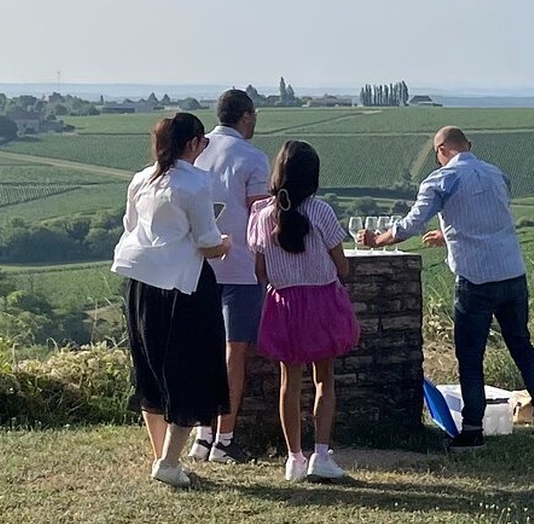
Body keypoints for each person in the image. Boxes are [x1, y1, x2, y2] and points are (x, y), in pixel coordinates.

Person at [358, 126, 534, 452]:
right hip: (512, 273)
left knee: (470, 357)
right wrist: (448, 235)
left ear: (440, 152)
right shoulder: (497, 175)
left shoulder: (441, 180)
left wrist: (376, 240)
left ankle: (473, 429)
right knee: (522, 345)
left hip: (475, 280)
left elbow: (410, 225)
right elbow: (486, 220)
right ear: (468, 146)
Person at [111, 113, 232, 487]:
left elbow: (131, 227)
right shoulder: (196, 183)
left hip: (139, 280)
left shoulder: (140, 179)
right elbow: (208, 244)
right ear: (194, 143)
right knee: (189, 367)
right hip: (183, 284)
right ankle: (167, 461)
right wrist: (227, 243)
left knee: (150, 367)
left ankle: (163, 456)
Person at [248, 140, 360, 481]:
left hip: (284, 304)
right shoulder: (321, 212)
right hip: (323, 302)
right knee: (324, 380)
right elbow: (342, 266)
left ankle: (293, 458)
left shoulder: (262, 217)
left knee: (289, 383)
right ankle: (321, 454)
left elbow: (260, 272)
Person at [189, 89, 270, 464]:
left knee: (202, 349)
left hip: (197, 263)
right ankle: (224, 438)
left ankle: (200, 433)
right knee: (235, 354)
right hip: (240, 264)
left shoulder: (196, 152)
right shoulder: (253, 158)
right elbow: (261, 217)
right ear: (247, 116)